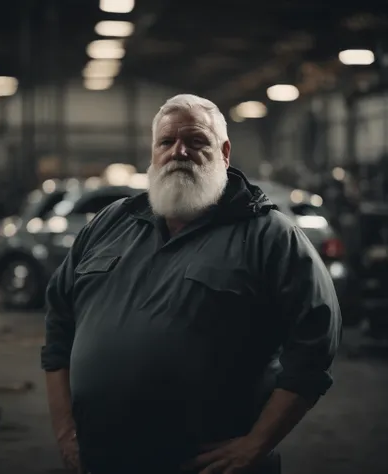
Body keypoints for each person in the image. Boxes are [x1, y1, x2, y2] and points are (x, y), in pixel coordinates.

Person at [41, 94, 342, 474]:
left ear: (224, 152)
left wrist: (255, 445)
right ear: (153, 153)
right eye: (166, 142)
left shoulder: (269, 237)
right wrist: (66, 432)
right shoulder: (109, 224)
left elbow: (314, 348)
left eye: (196, 141)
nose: (178, 151)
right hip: (101, 460)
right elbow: (58, 327)